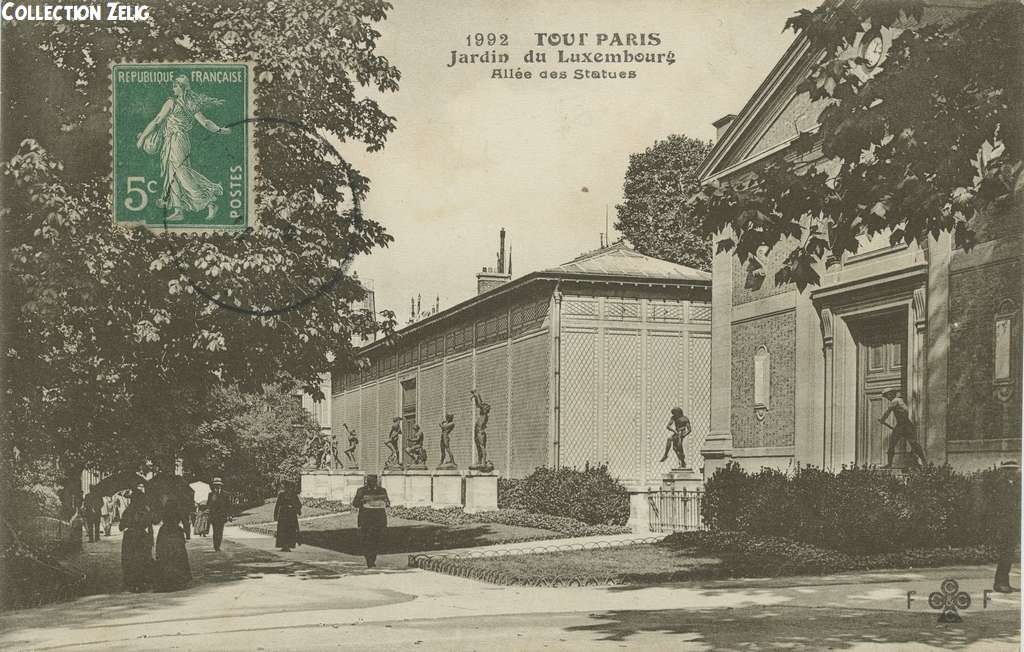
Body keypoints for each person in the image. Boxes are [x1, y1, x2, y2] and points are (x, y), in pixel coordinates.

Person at [136, 75, 232, 222]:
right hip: (179, 141)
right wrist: (219, 130)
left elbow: (156, 121)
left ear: (182, 87)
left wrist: (143, 137)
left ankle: (209, 203)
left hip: (176, 140)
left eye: (175, 86)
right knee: (172, 173)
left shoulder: (171, 102)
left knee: (181, 173)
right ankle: (178, 210)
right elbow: (205, 122)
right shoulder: (191, 103)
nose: (173, 88)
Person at [120, 483, 155, 592]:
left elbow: (121, 527)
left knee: (130, 559)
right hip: (142, 537)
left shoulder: (128, 511)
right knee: (142, 558)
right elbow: (152, 522)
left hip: (130, 537)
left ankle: (132, 583)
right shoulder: (145, 511)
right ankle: (142, 582)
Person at [879, 388, 926, 468]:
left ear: (891, 394)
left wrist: (882, 419)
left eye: (887, 396)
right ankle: (924, 461)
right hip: (905, 425)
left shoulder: (895, 401)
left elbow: (887, 412)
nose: (887, 398)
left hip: (903, 425)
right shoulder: (900, 401)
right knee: (913, 443)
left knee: (894, 444)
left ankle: (890, 464)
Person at [993, 460, 1021, 593]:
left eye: (1014, 470)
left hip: (1013, 525)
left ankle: (1005, 583)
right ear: (1004, 471)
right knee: (1005, 554)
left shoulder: (1016, 485)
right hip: (1004, 526)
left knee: (1009, 555)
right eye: (1010, 470)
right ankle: (1000, 583)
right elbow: (998, 507)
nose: (1013, 472)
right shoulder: (1000, 486)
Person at [351, 475, 390, 568]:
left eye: (373, 481)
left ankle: (372, 559)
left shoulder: (382, 490)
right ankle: (369, 559)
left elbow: (387, 503)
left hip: (378, 519)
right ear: (367, 481)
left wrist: (386, 502)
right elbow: (355, 504)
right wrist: (362, 500)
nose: (372, 482)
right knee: (366, 540)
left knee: (376, 540)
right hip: (366, 519)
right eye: (370, 481)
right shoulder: (361, 491)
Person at [154, 498, 191, 591]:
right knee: (178, 555)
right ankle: (178, 580)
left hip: (165, 532)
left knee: (164, 555)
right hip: (175, 532)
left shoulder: (163, 510)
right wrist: (187, 534)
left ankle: (166, 580)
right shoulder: (179, 510)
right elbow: (185, 522)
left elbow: (156, 520)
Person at [274, 482, 302, 552]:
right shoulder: (281, 495)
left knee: (290, 530)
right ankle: (284, 546)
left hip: (290, 515)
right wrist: (275, 514)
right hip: (283, 515)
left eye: (290, 487)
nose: (288, 489)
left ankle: (288, 546)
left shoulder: (293, 495)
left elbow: (299, 504)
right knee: (282, 530)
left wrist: (295, 509)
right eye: (287, 487)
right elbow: (277, 505)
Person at [207, 477, 231, 552]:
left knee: (220, 532)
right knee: (215, 532)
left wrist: (229, 515)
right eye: (215, 485)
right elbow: (208, 505)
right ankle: (216, 546)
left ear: (221, 485)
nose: (217, 486)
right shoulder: (211, 494)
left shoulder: (225, 494)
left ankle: (218, 545)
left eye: (218, 485)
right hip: (214, 516)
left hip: (222, 516)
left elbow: (228, 506)